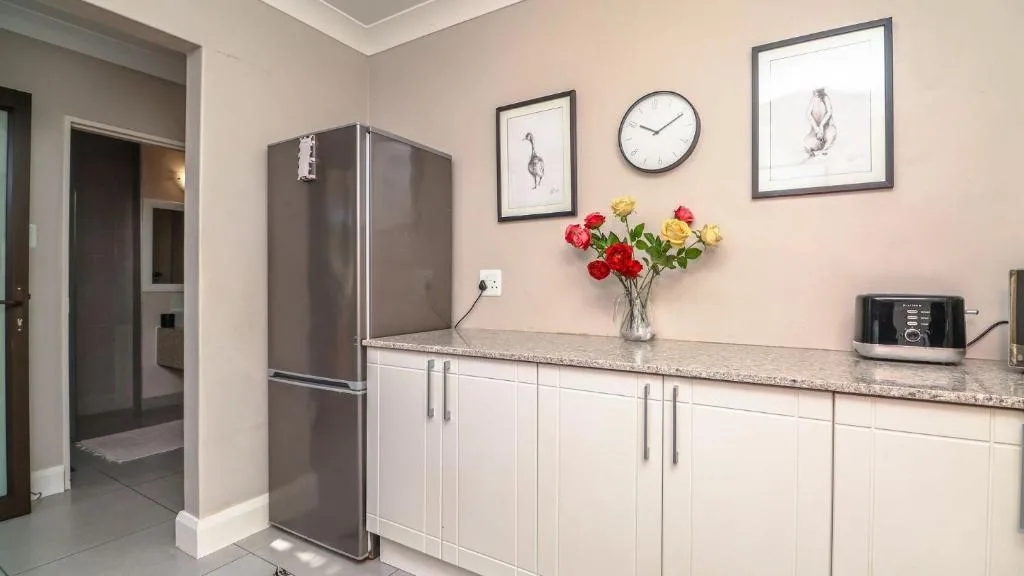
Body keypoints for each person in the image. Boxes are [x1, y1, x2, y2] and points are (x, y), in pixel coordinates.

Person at [803, 87, 837, 158]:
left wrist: (821, 126)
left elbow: (829, 112)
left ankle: (822, 150)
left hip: (827, 128)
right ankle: (818, 147)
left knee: (831, 133)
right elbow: (808, 114)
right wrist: (816, 128)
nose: (817, 94)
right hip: (817, 131)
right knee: (807, 142)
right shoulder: (813, 98)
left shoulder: (825, 98)